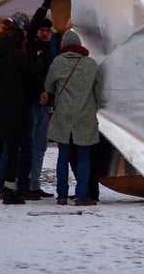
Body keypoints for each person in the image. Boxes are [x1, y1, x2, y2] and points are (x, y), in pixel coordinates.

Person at [0, 13, 35, 205]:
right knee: (12, 150)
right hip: (14, 108)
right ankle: (10, 191)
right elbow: (30, 78)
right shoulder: (18, 54)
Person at [43, 28, 101, 207]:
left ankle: (61, 195)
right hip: (85, 116)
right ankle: (82, 196)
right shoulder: (91, 64)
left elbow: (48, 86)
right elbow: (98, 92)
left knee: (63, 156)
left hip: (64, 116)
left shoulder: (57, 63)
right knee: (84, 157)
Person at [17, 0, 58, 199]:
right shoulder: (31, 45)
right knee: (29, 144)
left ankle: (34, 184)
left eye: (47, 31)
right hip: (33, 102)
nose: (44, 33)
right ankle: (22, 183)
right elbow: (32, 27)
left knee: (40, 147)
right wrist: (45, 6)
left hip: (47, 103)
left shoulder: (52, 48)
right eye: (42, 30)